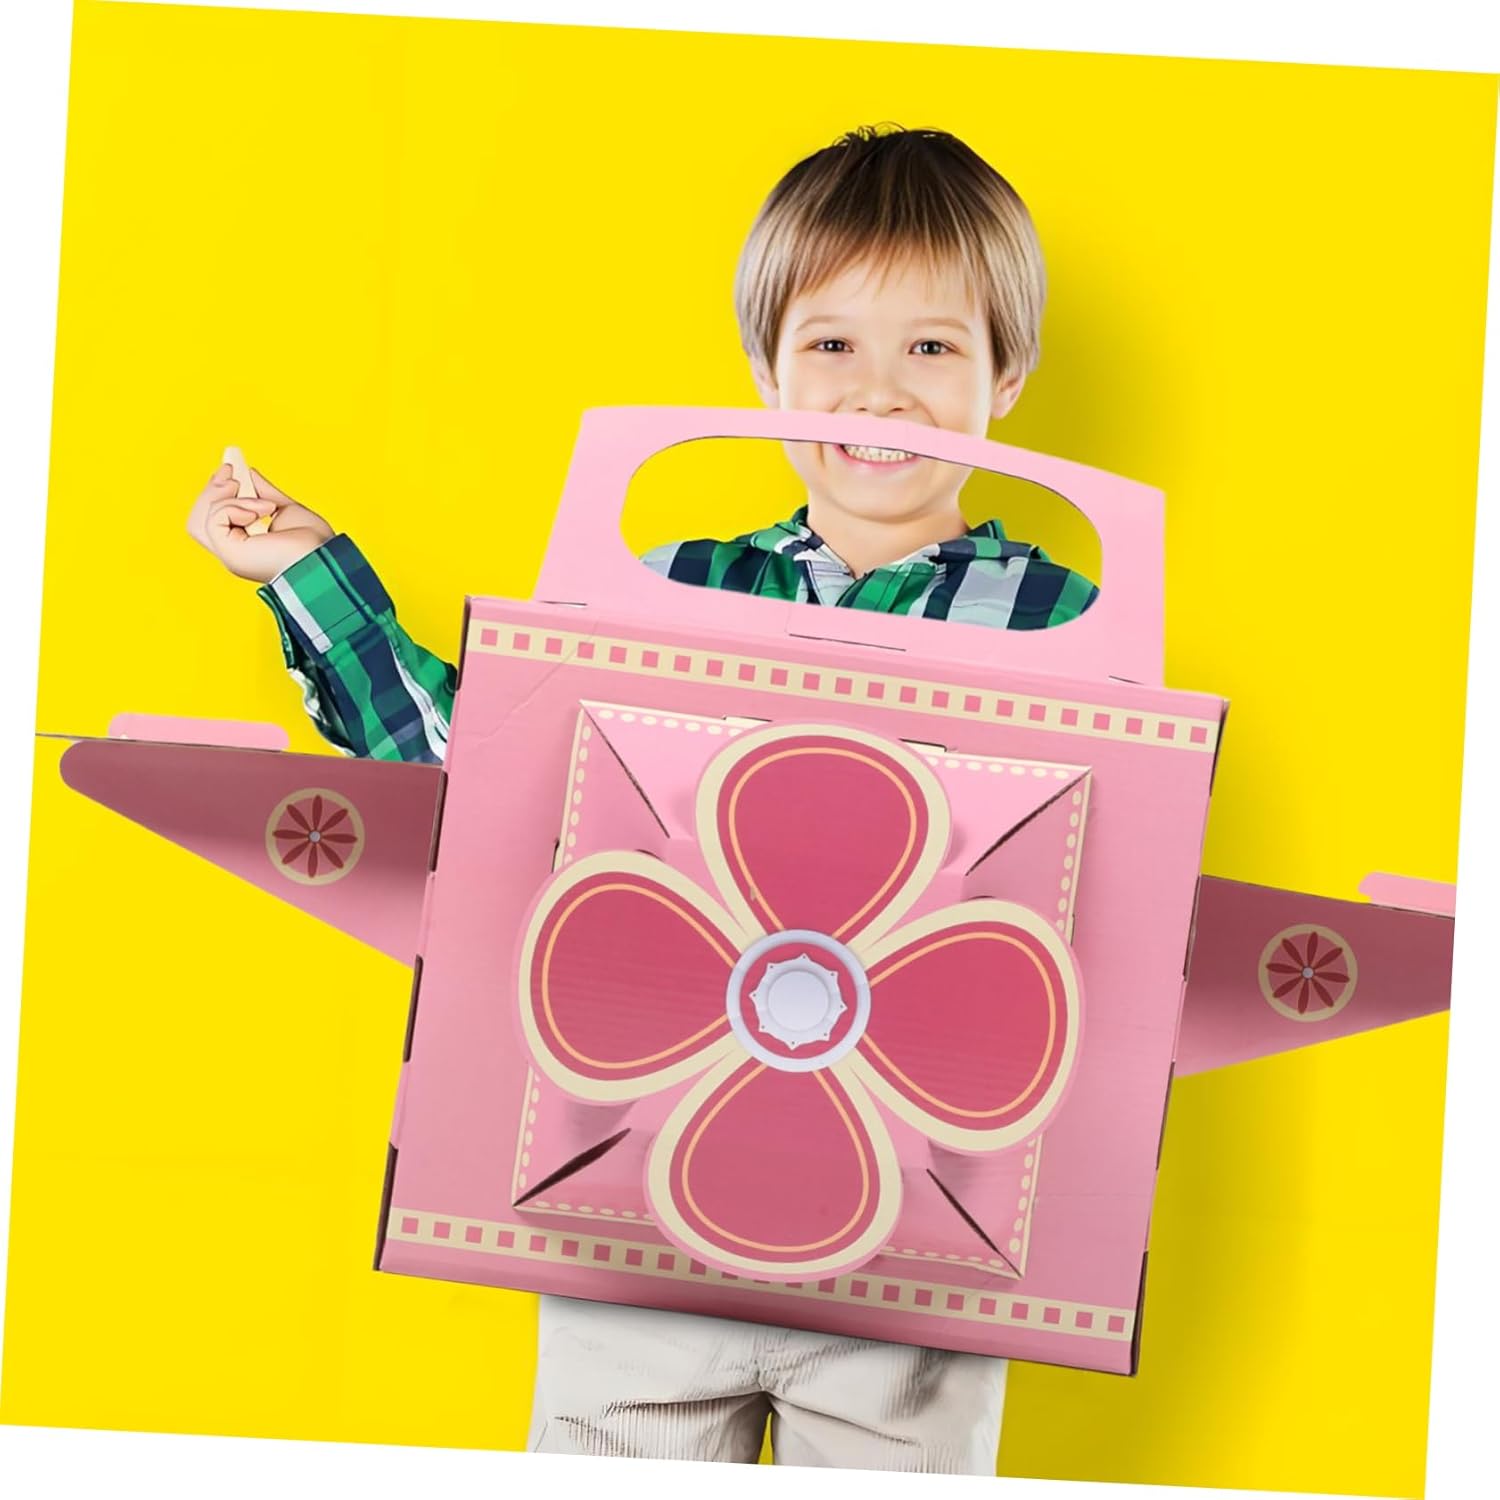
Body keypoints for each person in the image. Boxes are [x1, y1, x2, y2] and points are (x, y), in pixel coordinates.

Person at [186, 124, 1097, 1472]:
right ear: (764, 370)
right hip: (639, 1190)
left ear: (1006, 372)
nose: (879, 395)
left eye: (931, 346)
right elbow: (485, 788)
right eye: (831, 343)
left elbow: (1089, 935)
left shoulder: (1073, 630)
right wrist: (311, 578)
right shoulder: (658, 586)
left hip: (913, 1227)